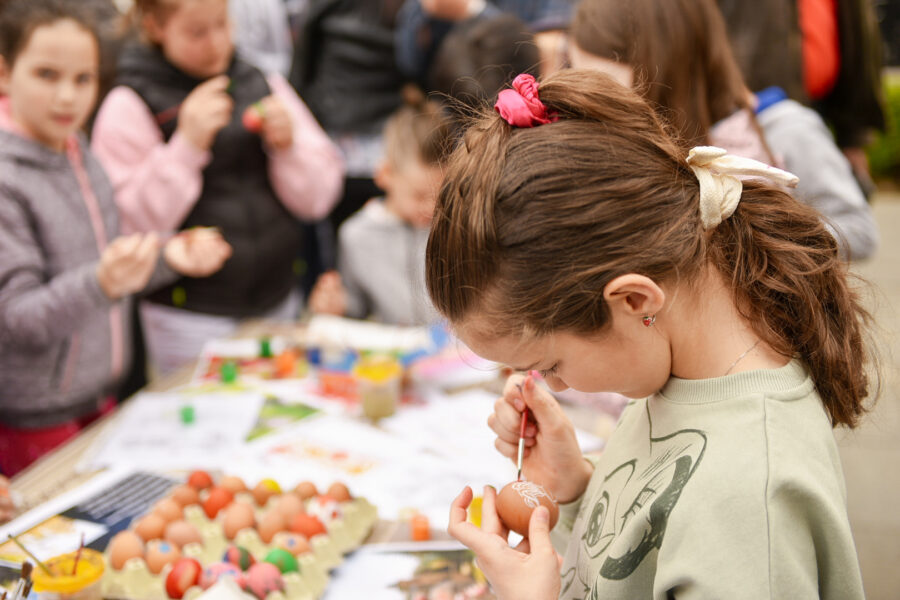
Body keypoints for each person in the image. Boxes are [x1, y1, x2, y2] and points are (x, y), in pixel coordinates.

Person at [427, 71, 870, 598]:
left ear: (634, 301)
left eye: (549, 364)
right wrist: (578, 492)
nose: (555, 386)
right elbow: (650, 547)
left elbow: (709, 520)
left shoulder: (749, 493)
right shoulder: (679, 365)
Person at [0, 0, 231, 475]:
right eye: (47, 74)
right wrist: (104, 281)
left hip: (99, 398)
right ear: (4, 74)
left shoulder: (77, 151)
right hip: (36, 419)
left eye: (83, 79)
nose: (68, 97)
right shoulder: (7, 180)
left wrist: (169, 256)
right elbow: (18, 319)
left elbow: (107, 261)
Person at [91, 0, 344, 374]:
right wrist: (187, 146)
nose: (217, 43)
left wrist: (288, 148)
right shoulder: (127, 104)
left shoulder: (262, 82)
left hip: (278, 299)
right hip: (189, 317)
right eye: (197, 32)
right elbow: (127, 225)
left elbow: (319, 198)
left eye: (223, 24)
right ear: (155, 26)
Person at [568, 0, 877, 261]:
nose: (596, 102)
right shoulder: (622, 146)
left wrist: (758, 236)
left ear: (665, 66)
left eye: (608, 87)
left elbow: (860, 232)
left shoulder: (783, 131)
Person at [309, 98, 453, 326]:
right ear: (385, 174)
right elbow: (357, 309)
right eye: (419, 195)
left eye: (440, 195)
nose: (430, 207)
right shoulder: (356, 235)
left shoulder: (455, 227)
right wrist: (337, 305)